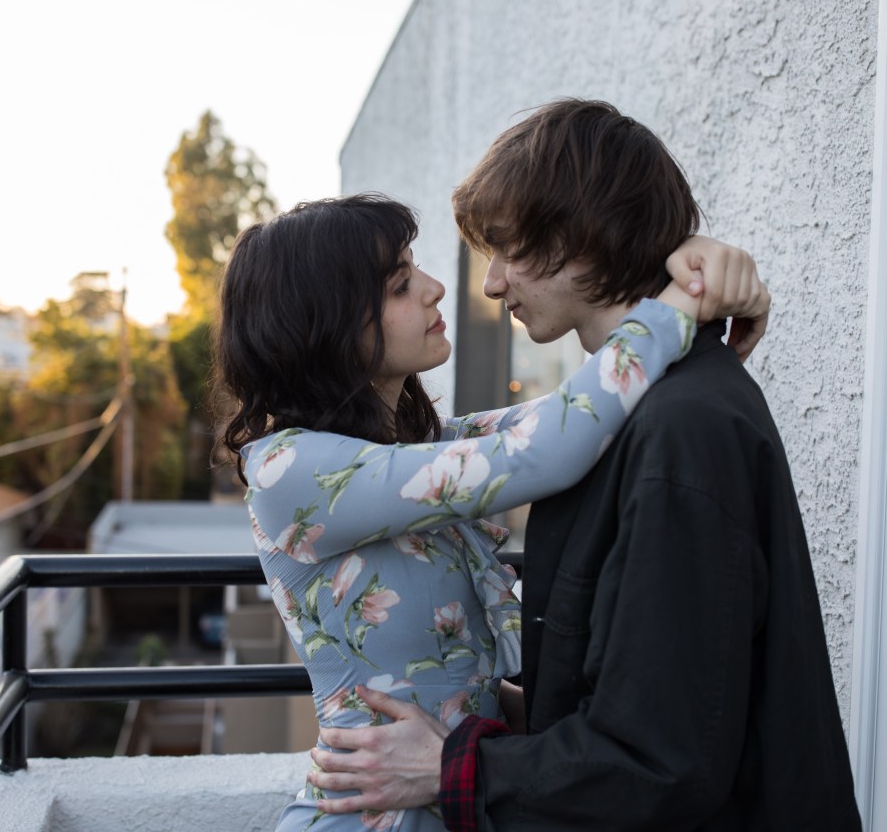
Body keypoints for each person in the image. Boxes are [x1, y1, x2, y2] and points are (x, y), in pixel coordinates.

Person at [307, 100, 863, 830]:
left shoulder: (679, 430)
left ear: (580, 236)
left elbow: (655, 759)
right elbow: (631, 685)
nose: (492, 283)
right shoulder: (619, 416)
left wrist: (450, 768)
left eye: (507, 248)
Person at [217, 191, 768, 831]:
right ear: (326, 324)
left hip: (449, 800)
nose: (434, 289)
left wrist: (698, 269)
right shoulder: (291, 470)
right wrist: (682, 301)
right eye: (399, 284)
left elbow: (584, 415)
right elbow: (550, 449)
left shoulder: (426, 449)